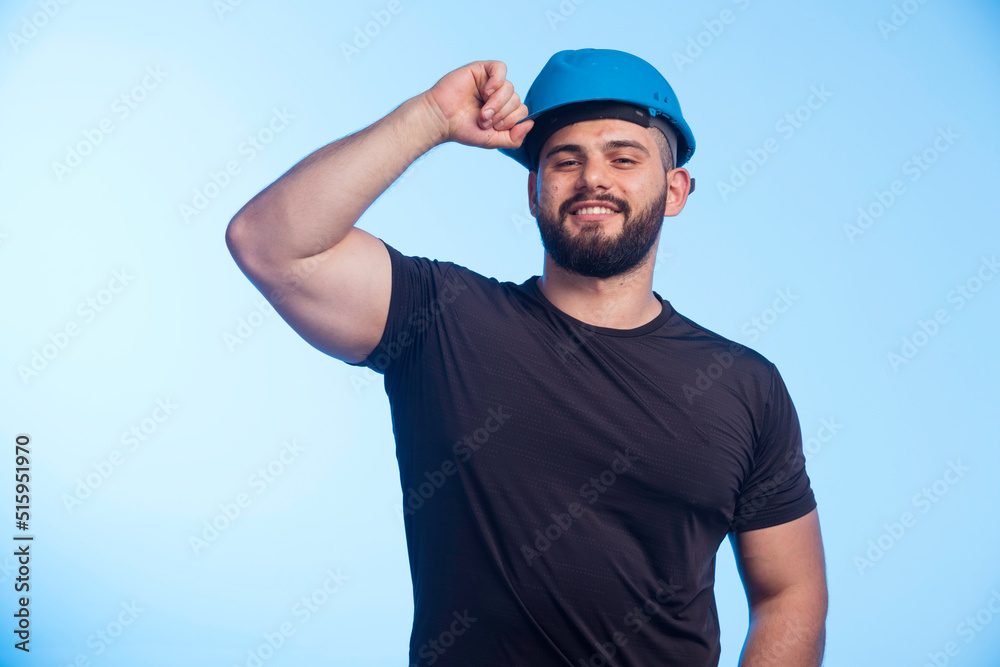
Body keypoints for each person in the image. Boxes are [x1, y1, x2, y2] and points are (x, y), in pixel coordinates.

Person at [225, 48, 827, 666]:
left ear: (674, 190)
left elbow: (791, 591)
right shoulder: (440, 319)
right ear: (535, 189)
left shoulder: (745, 387)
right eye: (567, 160)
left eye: (624, 157)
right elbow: (270, 245)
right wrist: (429, 116)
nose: (595, 178)